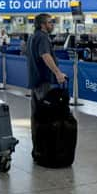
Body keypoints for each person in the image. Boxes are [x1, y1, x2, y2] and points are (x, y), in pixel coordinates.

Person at [26, 13, 67, 149]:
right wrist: (57, 72)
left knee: (36, 114)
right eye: (50, 22)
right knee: (45, 114)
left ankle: (37, 146)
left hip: (35, 81)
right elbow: (45, 55)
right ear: (43, 24)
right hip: (43, 81)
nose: (52, 25)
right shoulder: (43, 37)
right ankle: (45, 147)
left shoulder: (33, 37)